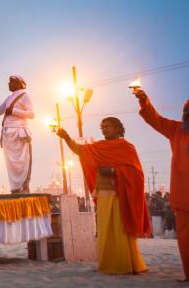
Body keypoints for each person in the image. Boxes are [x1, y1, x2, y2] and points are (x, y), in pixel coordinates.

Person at [57, 117, 150, 274]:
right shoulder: (98, 147)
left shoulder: (127, 148)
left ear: (118, 129)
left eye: (108, 127)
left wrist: (114, 171)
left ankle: (125, 265)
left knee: (121, 229)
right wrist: (66, 137)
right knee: (105, 231)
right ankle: (108, 264)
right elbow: (79, 150)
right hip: (103, 194)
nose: (104, 129)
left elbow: (137, 174)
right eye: (103, 127)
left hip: (120, 196)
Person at [134, 89, 189, 281]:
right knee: (185, 239)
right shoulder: (176, 130)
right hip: (184, 197)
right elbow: (155, 120)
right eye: (187, 112)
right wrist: (144, 101)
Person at [0, 76, 34, 193]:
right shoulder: (9, 98)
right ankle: (15, 188)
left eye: (12, 82)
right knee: (11, 165)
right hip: (8, 135)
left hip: (20, 133)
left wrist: (13, 111)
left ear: (19, 84)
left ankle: (24, 187)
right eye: (9, 82)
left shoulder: (25, 95)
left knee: (23, 163)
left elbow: (31, 114)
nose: (9, 84)